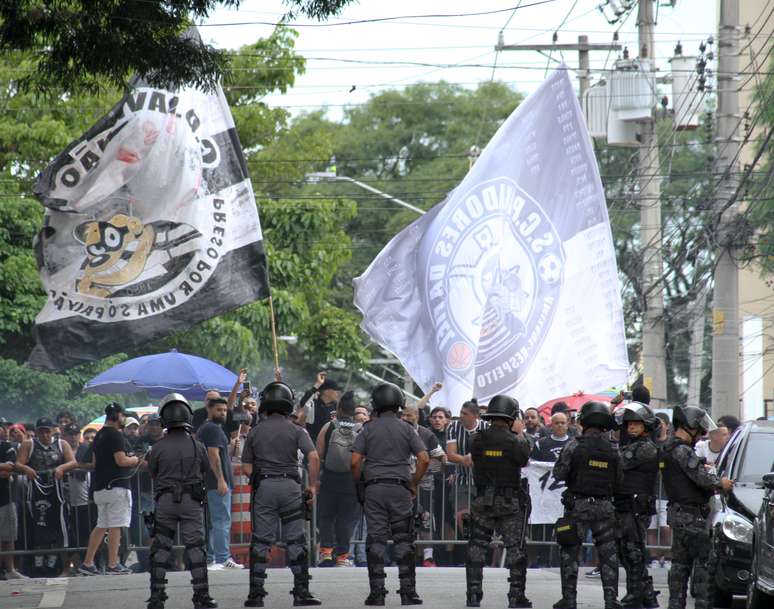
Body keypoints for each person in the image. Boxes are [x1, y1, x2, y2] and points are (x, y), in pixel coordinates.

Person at [241, 381, 321, 607]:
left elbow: (247, 466)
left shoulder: (256, 432)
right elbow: (313, 457)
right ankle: (301, 592)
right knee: (296, 539)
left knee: (261, 541)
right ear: (288, 404)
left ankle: (255, 595)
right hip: (290, 487)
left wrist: (258, 478)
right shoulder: (297, 430)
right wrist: (313, 486)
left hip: (264, 487)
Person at [351, 383, 429, 606]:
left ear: (375, 404)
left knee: (375, 539)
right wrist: (413, 483)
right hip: (400, 489)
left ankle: (377, 593)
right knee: (404, 539)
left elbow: (355, 462)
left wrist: (360, 483)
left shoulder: (368, 429)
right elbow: (424, 459)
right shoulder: (407, 429)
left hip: (374, 488)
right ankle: (408, 592)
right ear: (399, 404)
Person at [145, 393, 217, 609]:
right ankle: (201, 596)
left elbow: (153, 473)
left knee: (160, 549)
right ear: (188, 416)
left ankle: (157, 597)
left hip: (165, 500)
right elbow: (205, 469)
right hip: (191, 500)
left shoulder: (157, 447)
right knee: (196, 548)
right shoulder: (198, 445)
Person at [660, 406, 734, 609]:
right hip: (691, 517)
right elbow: (703, 479)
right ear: (690, 426)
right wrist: (722, 483)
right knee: (702, 564)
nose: (701, 434)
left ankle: (675, 604)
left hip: (678, 514)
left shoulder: (668, 448)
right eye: (699, 429)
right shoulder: (682, 450)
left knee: (679, 565)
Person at [552, 401, 623, 609]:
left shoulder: (574, 446)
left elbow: (559, 473)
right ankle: (611, 600)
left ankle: (569, 599)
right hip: (604, 507)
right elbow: (619, 481)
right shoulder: (613, 450)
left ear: (583, 421)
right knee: (608, 554)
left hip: (578, 506)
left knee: (570, 551)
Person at [464, 395, 531, 608]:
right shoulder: (515, 441)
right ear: (512, 417)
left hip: (482, 500)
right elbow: (523, 459)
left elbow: (478, 457)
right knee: (515, 549)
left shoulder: (476, 439)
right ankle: (515, 596)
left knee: (477, 547)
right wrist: (519, 434)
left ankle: (473, 595)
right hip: (509, 502)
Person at [78, 403, 138, 575]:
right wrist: (134, 459)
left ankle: (87, 563)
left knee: (101, 525)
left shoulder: (99, 436)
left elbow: (93, 462)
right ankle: (113, 564)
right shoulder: (116, 435)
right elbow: (121, 461)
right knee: (116, 526)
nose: (124, 419)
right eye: (123, 416)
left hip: (100, 487)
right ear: (117, 415)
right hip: (117, 487)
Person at [15, 416, 77, 577]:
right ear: (36, 432)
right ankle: (36, 567)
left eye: (47, 432)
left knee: (61, 529)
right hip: (35, 492)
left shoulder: (62, 444)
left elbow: (73, 462)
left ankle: (64, 568)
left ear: (53, 431)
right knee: (37, 527)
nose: (44, 435)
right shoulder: (29, 444)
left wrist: (61, 468)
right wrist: (26, 469)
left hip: (58, 491)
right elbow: (18, 463)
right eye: (41, 432)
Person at [613, 403, 660, 609]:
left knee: (633, 550)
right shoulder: (633, 445)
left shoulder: (646, 448)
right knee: (627, 549)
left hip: (637, 506)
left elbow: (619, 463)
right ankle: (645, 593)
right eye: (629, 424)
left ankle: (637, 593)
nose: (631, 427)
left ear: (646, 426)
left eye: (636, 424)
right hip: (627, 504)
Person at [315, 391, 361, 567]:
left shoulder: (329, 427)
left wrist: (316, 480)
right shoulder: (360, 429)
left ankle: (326, 553)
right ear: (353, 410)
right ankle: (342, 556)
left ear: (339, 409)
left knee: (326, 516)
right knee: (346, 519)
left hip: (329, 478)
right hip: (351, 480)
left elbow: (318, 454)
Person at [196, 396, 241, 570]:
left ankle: (213, 558)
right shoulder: (212, 429)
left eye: (224, 410)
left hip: (212, 482)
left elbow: (219, 455)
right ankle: (222, 557)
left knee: (216, 521)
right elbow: (213, 455)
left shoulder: (209, 429)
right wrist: (221, 480)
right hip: (216, 483)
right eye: (219, 410)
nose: (222, 413)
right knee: (221, 520)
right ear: (209, 409)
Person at [402, 403, 446, 567]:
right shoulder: (397, 432)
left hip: (425, 485)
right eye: (403, 415)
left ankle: (428, 557)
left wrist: (437, 465)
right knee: (404, 520)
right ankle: (405, 554)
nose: (406, 419)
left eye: (409, 415)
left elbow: (441, 455)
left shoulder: (426, 434)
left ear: (417, 416)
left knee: (426, 520)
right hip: (402, 484)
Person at [446, 400, 488, 513]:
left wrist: (477, 459)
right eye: (461, 412)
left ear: (475, 416)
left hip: (483, 481)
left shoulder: (487, 427)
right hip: (462, 479)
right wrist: (464, 459)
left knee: (482, 516)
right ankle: (465, 531)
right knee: (462, 514)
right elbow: (450, 454)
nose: (461, 416)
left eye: (465, 414)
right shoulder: (453, 427)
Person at [0, 436, 25, 579]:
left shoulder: (6, 446)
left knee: (8, 537)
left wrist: (5, 470)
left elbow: (10, 468)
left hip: (5, 498)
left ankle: (10, 570)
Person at [297, 372, 343, 442]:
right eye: (335, 390)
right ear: (326, 392)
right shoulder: (313, 403)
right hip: (310, 440)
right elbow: (303, 402)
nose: (337, 393)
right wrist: (318, 384)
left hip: (327, 443)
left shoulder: (336, 407)